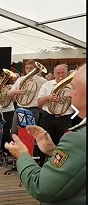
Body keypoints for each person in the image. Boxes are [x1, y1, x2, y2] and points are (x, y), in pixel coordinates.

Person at [5, 64, 86, 205]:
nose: (69, 94)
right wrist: (53, 151)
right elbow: (78, 167)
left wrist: (23, 155)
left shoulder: (77, 138)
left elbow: (42, 188)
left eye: (74, 88)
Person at [36, 64, 74, 166]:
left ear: (67, 73)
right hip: (48, 117)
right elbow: (39, 104)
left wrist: (72, 100)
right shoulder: (47, 85)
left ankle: (59, 168)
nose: (61, 75)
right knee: (44, 144)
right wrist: (48, 97)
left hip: (65, 119)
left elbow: (79, 107)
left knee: (63, 145)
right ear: (54, 74)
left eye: (63, 73)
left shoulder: (73, 86)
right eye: (58, 73)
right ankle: (42, 166)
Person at [7, 60, 47, 135]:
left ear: (35, 69)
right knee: (14, 132)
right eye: (27, 68)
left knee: (29, 135)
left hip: (33, 110)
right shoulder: (20, 79)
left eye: (31, 68)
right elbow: (9, 93)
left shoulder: (42, 81)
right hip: (19, 108)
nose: (29, 70)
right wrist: (16, 92)